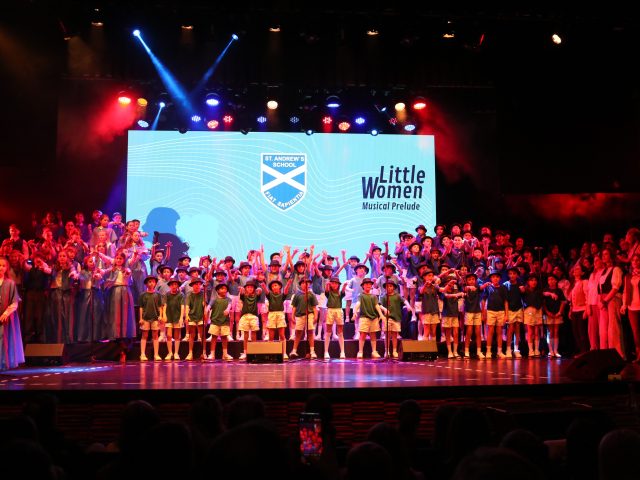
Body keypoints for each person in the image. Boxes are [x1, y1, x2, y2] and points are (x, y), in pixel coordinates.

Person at [103, 251, 136, 340]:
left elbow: (129, 277)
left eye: (120, 258)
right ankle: (115, 334)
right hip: (115, 291)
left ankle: (124, 334)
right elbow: (105, 271)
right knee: (115, 312)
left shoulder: (126, 269)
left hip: (125, 290)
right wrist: (100, 272)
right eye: (117, 258)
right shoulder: (112, 269)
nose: (118, 260)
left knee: (125, 313)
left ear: (124, 260)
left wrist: (128, 274)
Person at [598, 248, 624, 358]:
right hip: (604, 300)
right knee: (603, 329)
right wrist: (601, 300)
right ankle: (605, 355)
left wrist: (605, 300)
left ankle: (616, 355)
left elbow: (615, 287)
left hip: (612, 299)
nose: (604, 256)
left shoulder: (616, 269)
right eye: (603, 254)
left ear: (611, 256)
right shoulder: (604, 271)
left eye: (606, 254)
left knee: (613, 328)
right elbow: (600, 289)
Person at [0, 256, 25, 371]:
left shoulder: (10, 283)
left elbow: (14, 302)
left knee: (3, 338)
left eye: (3, 266)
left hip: (4, 317)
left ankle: (2, 362)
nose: (1, 268)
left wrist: (6, 313)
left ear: (7, 268)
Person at [75, 255, 105, 342]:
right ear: (86, 263)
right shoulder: (83, 272)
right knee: (85, 315)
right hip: (86, 294)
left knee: (96, 314)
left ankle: (96, 336)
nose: (93, 263)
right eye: (90, 261)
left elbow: (101, 283)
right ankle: (84, 336)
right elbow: (81, 278)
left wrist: (99, 277)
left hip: (96, 294)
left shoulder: (98, 272)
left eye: (94, 261)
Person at [354, 277, 384, 359]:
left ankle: (374, 351)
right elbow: (358, 303)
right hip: (364, 317)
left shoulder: (374, 296)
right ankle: (360, 351)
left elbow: (377, 306)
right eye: (366, 284)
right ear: (363, 286)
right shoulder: (361, 295)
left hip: (374, 318)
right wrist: (355, 311)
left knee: (373, 334)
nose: (368, 285)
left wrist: (381, 314)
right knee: (363, 334)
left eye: (370, 284)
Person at [480, 270, 508, 358]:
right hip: (490, 311)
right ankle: (488, 351)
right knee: (490, 331)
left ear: (499, 278)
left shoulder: (503, 288)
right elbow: (483, 300)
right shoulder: (488, 287)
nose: (495, 278)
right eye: (493, 277)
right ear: (491, 278)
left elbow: (506, 301)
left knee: (499, 331)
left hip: (501, 311)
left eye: (497, 277)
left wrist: (506, 314)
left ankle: (499, 351)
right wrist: (483, 313)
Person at [290, 277, 318, 359]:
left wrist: (316, 316)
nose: (305, 285)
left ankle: (312, 351)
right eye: (303, 283)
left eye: (307, 283)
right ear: (300, 284)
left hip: (309, 315)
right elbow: (294, 307)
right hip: (300, 315)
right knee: (298, 332)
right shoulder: (297, 295)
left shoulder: (311, 294)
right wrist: (292, 315)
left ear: (309, 284)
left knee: (310, 332)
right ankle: (294, 350)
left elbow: (314, 307)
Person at [138, 276, 164, 361]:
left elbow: (160, 306)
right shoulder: (143, 295)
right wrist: (141, 318)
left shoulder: (158, 295)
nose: (151, 283)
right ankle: (142, 354)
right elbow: (141, 307)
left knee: (155, 336)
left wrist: (160, 316)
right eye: (149, 282)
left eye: (153, 282)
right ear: (146, 284)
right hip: (145, 318)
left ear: (155, 283)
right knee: (144, 335)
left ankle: (156, 354)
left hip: (155, 318)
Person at [378, 279, 406, 358]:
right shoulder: (383, 296)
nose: (389, 288)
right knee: (387, 335)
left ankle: (394, 350)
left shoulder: (397, 295)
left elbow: (404, 301)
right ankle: (386, 351)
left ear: (393, 287)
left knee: (394, 335)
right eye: (387, 286)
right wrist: (384, 309)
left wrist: (408, 305)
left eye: (390, 286)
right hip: (387, 318)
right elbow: (379, 305)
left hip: (396, 318)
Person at [264, 278, 291, 360]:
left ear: (279, 287)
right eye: (272, 286)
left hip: (280, 314)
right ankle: (271, 353)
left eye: (275, 285)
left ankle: (284, 353)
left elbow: (286, 291)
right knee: (271, 337)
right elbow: (266, 291)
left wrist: (288, 284)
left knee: (282, 335)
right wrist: (263, 285)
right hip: (272, 314)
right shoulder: (270, 295)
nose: (274, 287)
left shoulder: (282, 295)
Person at [206, 283, 233, 360]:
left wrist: (227, 310)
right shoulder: (214, 299)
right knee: (214, 337)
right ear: (218, 291)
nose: (224, 290)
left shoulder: (228, 299)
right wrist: (207, 309)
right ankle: (212, 354)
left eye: (225, 289)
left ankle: (225, 354)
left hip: (225, 322)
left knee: (224, 338)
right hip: (215, 321)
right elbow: (209, 306)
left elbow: (229, 306)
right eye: (222, 288)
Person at [237, 279, 262, 360]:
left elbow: (260, 291)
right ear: (246, 288)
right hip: (245, 316)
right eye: (248, 287)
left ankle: (254, 352)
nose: (250, 288)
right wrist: (241, 290)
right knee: (245, 335)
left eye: (251, 287)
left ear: (254, 289)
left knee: (254, 334)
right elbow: (241, 294)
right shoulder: (244, 296)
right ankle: (245, 352)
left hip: (254, 316)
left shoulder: (256, 297)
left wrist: (259, 289)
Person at [622, 254, 640, 363]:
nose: (635, 262)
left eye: (637, 260)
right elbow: (625, 291)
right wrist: (624, 305)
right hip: (632, 307)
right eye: (633, 260)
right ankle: (639, 356)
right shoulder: (628, 276)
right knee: (636, 333)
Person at [504, 267, 525, 358]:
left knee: (517, 328)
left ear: (517, 275)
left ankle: (516, 349)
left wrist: (523, 291)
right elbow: (505, 300)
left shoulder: (520, 284)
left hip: (519, 308)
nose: (512, 275)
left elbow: (523, 297)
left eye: (514, 273)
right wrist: (506, 313)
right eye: (510, 274)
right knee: (510, 329)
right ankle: (508, 349)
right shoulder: (506, 285)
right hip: (510, 309)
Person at [569, 263, 590, 355]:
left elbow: (587, 295)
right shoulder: (573, 284)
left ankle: (585, 352)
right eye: (575, 269)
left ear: (582, 272)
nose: (575, 270)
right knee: (576, 332)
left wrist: (586, 309)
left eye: (578, 269)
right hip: (574, 310)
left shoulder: (584, 282)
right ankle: (581, 351)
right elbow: (571, 298)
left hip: (582, 309)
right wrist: (570, 309)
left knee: (582, 332)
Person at [440, 279, 463, 358]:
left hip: (455, 314)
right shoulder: (443, 292)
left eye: (452, 284)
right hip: (447, 314)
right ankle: (449, 351)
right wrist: (455, 295)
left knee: (456, 333)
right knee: (448, 333)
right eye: (449, 284)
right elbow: (446, 296)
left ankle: (455, 351)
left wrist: (462, 293)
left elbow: (462, 293)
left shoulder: (455, 291)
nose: (451, 285)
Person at [463, 272, 484, 358]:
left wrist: (486, 284)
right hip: (469, 312)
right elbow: (465, 288)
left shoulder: (477, 287)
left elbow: (481, 287)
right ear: (466, 281)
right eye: (469, 279)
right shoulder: (465, 288)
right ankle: (466, 350)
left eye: (473, 279)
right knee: (469, 332)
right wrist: (469, 287)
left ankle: (479, 351)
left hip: (477, 311)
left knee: (478, 332)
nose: (471, 281)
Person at [324, 276, 346, 359]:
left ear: (338, 285)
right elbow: (326, 291)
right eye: (332, 283)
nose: (334, 285)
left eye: (336, 283)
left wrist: (344, 286)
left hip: (338, 310)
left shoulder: (340, 293)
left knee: (340, 331)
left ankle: (342, 351)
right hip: (330, 310)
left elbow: (343, 292)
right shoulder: (329, 293)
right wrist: (327, 285)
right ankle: (326, 351)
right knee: (328, 331)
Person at [185, 278, 206, 360]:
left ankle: (203, 352)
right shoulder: (189, 295)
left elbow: (204, 305)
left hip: (200, 316)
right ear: (192, 285)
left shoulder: (203, 294)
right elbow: (187, 306)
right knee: (192, 335)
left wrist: (205, 313)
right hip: (192, 316)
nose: (197, 286)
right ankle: (190, 353)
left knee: (202, 335)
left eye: (199, 284)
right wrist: (186, 315)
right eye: (195, 284)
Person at [522, 276, 544, 357]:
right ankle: (531, 350)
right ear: (528, 282)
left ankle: (537, 349)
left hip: (538, 310)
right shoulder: (525, 290)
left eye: (535, 280)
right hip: (529, 310)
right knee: (530, 332)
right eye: (531, 280)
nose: (533, 282)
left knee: (537, 331)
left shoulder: (539, 290)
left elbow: (542, 299)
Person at [164, 278, 185, 360]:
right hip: (169, 316)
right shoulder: (167, 294)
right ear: (170, 286)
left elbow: (182, 306)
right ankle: (170, 353)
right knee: (169, 335)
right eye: (172, 285)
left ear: (178, 286)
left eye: (175, 284)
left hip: (177, 316)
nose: (174, 286)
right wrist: (164, 315)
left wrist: (181, 317)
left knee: (177, 335)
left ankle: (176, 353)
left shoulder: (181, 295)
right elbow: (165, 305)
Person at [419, 269, 441, 341]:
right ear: (424, 277)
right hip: (426, 311)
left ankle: (432, 346)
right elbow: (421, 292)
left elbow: (443, 290)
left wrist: (449, 285)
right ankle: (425, 347)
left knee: (433, 332)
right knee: (426, 331)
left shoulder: (435, 286)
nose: (431, 277)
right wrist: (425, 284)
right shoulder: (421, 287)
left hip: (435, 311)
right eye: (429, 276)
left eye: (432, 276)